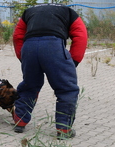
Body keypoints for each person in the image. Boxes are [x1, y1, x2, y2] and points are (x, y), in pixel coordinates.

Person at [12, 3, 88, 139]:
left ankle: (20, 121)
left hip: (29, 47)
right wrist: (73, 61)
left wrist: (23, 57)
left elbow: (18, 36)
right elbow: (81, 35)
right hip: (53, 46)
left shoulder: (29, 12)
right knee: (67, 89)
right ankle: (64, 129)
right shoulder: (69, 12)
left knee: (30, 85)